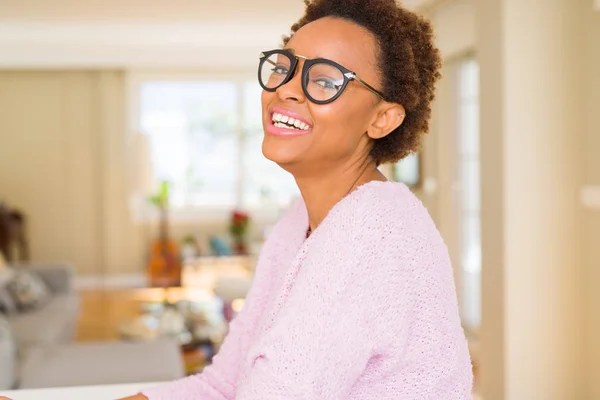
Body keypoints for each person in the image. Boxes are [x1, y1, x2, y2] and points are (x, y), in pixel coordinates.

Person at [0, 1, 472, 399]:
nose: (285, 89)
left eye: (326, 80)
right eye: (285, 66)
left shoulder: (373, 230)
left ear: (383, 118)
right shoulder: (300, 222)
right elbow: (225, 384)